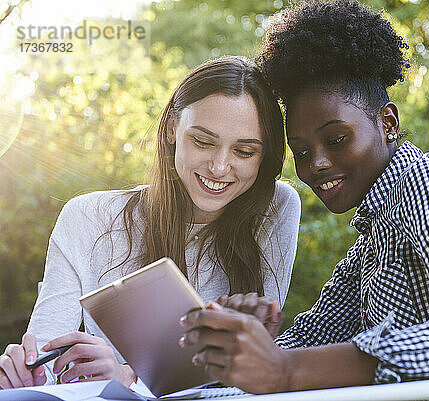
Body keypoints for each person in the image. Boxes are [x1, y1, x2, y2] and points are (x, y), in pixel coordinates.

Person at [176, 2, 429, 400]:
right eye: (301, 152)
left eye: (336, 139)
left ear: (388, 122)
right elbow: (316, 335)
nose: (316, 164)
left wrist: (286, 370)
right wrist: (252, 339)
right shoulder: (373, 240)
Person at [0, 56, 301, 390]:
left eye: (244, 151)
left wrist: (128, 375)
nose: (219, 167)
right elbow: (48, 355)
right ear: (172, 128)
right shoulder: (87, 218)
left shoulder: (276, 208)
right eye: (202, 141)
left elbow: (248, 363)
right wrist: (26, 372)